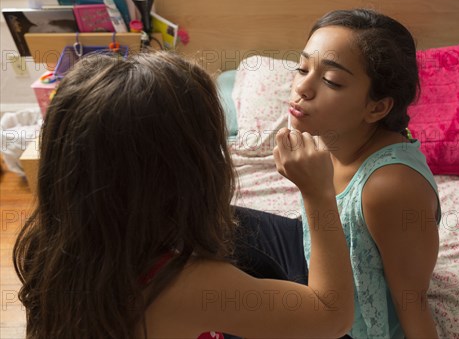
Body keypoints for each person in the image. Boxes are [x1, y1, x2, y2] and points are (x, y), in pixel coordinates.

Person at [12, 51, 354, 339]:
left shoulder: (47, 242)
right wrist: (318, 193)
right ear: (188, 175)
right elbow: (332, 316)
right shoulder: (191, 286)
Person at [235, 9, 441, 338]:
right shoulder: (333, 134)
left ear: (377, 107)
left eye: (331, 81)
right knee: (207, 225)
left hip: (345, 325)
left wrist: (312, 190)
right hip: (317, 257)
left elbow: (412, 302)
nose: (302, 87)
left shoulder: (390, 187)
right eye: (302, 68)